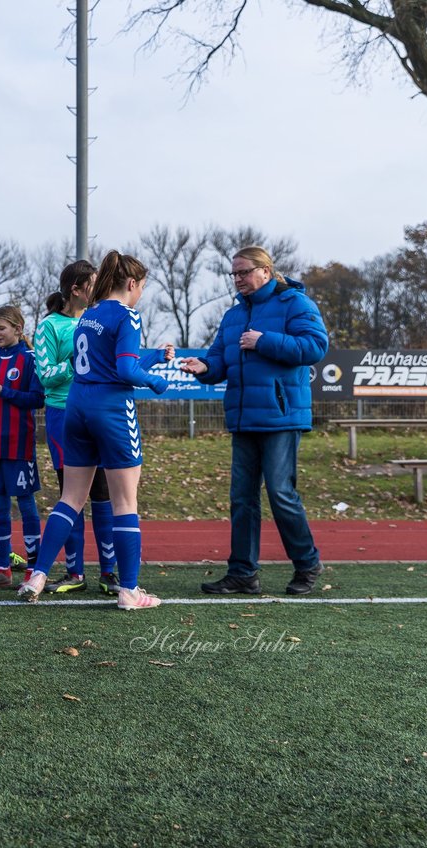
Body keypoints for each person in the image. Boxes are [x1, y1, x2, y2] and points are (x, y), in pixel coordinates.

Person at [16, 251, 174, 610]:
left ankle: (38, 574)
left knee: (70, 499)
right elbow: (127, 373)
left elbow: (108, 361)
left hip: (76, 408)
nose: (141, 295)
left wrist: (151, 357)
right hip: (112, 411)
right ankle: (129, 592)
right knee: (125, 502)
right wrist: (156, 381)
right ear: (132, 284)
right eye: (143, 287)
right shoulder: (128, 315)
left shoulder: (89, 316)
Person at [179, 246, 329, 595]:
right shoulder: (233, 315)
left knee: (280, 493)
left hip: (281, 416)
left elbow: (315, 347)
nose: (237, 279)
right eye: (233, 273)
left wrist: (265, 341)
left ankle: (307, 564)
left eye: (243, 272)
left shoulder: (295, 303)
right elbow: (219, 358)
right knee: (242, 498)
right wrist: (204, 368)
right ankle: (243, 573)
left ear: (265, 270)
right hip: (244, 418)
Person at [35, 260, 120, 595]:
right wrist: (76, 363)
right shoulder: (49, 326)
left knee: (104, 495)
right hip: (64, 415)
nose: (98, 289)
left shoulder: (97, 319)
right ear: (75, 288)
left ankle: (109, 573)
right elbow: (45, 374)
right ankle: (74, 573)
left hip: (99, 411)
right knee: (72, 497)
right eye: (93, 283)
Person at [0, 305, 45, 588]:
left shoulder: (29, 359)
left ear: (18, 328)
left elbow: (37, 399)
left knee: (25, 504)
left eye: (1, 328)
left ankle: (33, 571)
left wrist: (3, 391)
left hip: (19, 443)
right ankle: (2, 569)